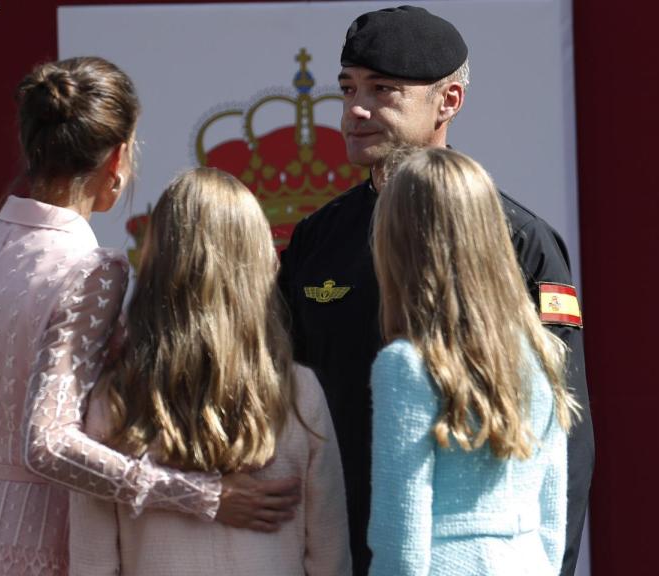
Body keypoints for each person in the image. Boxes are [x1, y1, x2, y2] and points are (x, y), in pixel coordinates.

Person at [0, 57, 301, 575]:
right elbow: (48, 444)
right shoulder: (94, 271)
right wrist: (202, 495)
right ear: (118, 157)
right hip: (47, 548)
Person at [277, 6, 594, 576]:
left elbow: (563, 436)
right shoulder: (316, 238)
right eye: (348, 88)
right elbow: (281, 398)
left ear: (448, 101)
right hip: (330, 550)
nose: (356, 110)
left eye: (384, 90)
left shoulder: (520, 241)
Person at [67, 168, 352, 576]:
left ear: (157, 265)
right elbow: (329, 559)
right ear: (259, 267)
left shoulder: (114, 400)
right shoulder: (298, 394)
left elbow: (93, 563)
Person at [368, 147, 577, 575]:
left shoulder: (406, 366)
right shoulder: (541, 351)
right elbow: (553, 515)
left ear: (398, 244)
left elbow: (400, 534)